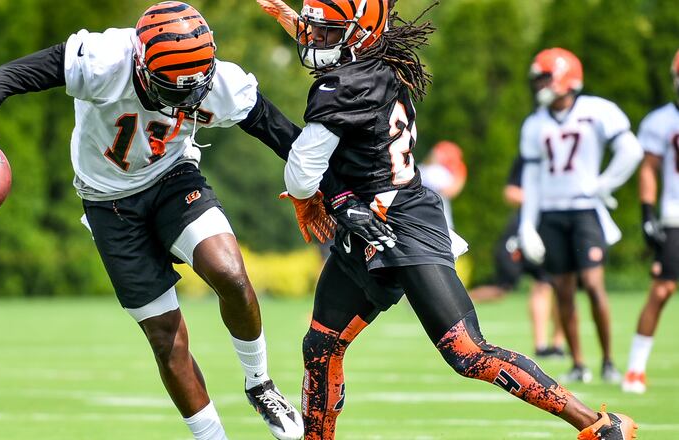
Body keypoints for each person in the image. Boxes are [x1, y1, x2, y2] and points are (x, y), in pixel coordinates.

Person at [0, 2, 322, 439]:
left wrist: (339, 193)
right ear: (140, 66)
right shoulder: (103, 60)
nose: (190, 100)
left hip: (172, 178)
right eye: (173, 89)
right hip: (107, 203)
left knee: (230, 273)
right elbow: (14, 75)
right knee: (166, 338)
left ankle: (261, 384)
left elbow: (283, 135)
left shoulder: (217, 82)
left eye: (196, 87)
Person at [259, 1, 637, 439]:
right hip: (366, 219)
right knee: (321, 346)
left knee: (467, 351)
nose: (312, 38)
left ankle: (600, 426)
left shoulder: (348, 83)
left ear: (358, 34)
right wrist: (304, 29)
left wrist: (312, 199)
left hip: (399, 223)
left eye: (326, 31)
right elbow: (349, 66)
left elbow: (302, 171)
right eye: (313, 30)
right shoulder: (378, 61)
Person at [517, 48, 643, 384]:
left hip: (585, 210)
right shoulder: (535, 123)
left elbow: (631, 150)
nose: (539, 84)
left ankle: (608, 361)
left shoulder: (596, 111)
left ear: (562, 77)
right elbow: (531, 177)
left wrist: (604, 184)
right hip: (552, 212)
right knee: (563, 290)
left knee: (594, 284)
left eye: (544, 76)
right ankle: (578, 363)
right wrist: (526, 224)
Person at [622, 49, 679, 394]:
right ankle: (635, 369)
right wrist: (647, 214)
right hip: (675, 213)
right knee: (662, 289)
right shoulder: (662, 120)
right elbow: (649, 168)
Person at [469, 156, 565, 358]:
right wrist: (543, 199)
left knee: (555, 284)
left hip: (556, 229)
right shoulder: (529, 156)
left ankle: (554, 345)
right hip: (525, 232)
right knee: (505, 288)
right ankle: (541, 345)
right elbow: (511, 192)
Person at [418, 141, 467, 230]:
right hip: (436, 223)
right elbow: (451, 190)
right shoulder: (437, 173)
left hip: (425, 219)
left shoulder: (420, 170)